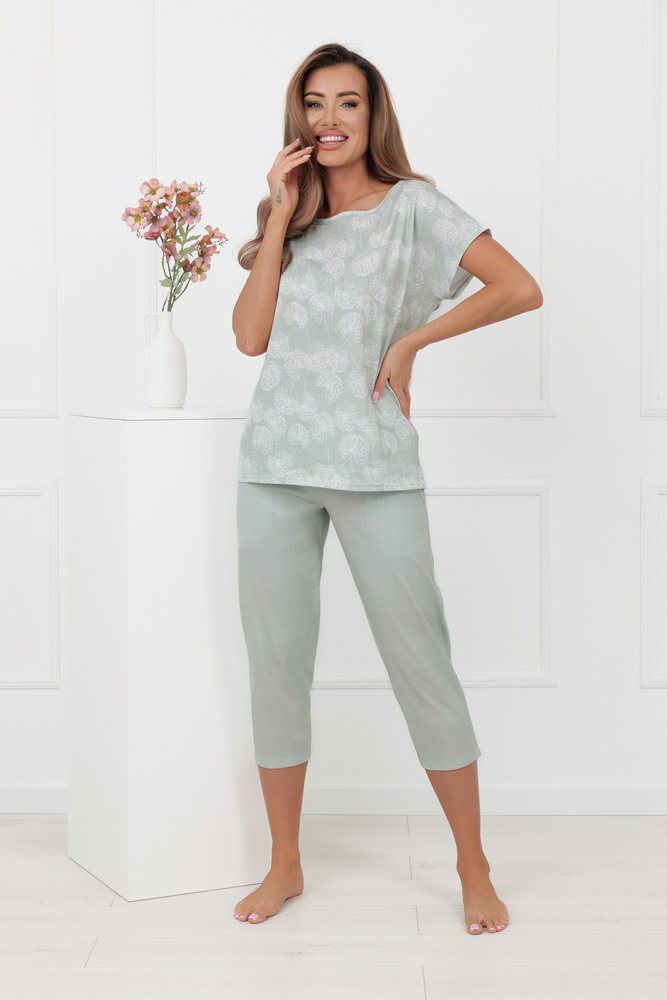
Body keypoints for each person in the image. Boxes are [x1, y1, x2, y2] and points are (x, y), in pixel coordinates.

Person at [231, 42, 542, 935]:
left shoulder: (414, 209)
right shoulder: (287, 217)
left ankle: (472, 866)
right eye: (314, 103)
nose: (329, 118)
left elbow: (517, 287)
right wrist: (279, 215)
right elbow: (249, 338)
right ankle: (284, 862)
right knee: (276, 669)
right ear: (298, 118)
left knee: (421, 664)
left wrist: (411, 342)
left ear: (374, 117)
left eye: (348, 103)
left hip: (373, 462)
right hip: (274, 465)